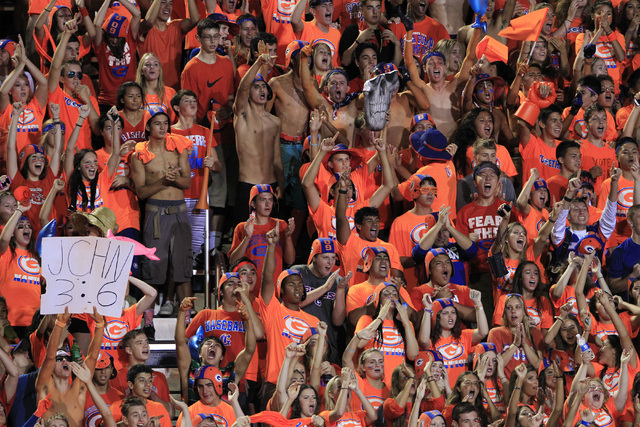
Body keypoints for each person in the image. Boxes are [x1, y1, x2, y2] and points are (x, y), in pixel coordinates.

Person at [131, 110, 193, 317]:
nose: (163, 127)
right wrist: (163, 180)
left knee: (182, 267)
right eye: (157, 123)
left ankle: (187, 322)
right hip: (156, 212)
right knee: (152, 268)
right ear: (148, 127)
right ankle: (147, 323)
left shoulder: (178, 149)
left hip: (180, 211)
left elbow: (187, 183)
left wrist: (174, 179)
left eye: (165, 123)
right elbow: (141, 192)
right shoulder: (139, 155)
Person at [258, 224, 321, 400]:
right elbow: (267, 277)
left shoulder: (314, 321)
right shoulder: (274, 310)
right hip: (274, 384)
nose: (297, 287)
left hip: (302, 388)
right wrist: (271, 247)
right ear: (281, 290)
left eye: (300, 284)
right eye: (291, 284)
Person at [232, 51, 284, 219]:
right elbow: (243, 87)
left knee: (270, 238)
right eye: (256, 87)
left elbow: (276, 159)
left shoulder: (275, 121)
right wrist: (259, 63)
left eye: (263, 87)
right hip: (248, 185)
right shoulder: (242, 115)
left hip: (270, 186)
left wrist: (280, 184)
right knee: (246, 236)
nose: (261, 89)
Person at [35, 307, 104, 426]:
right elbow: (50, 357)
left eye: (67, 359)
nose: (64, 361)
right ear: (51, 367)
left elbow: (92, 356)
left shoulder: (79, 389)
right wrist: (60, 324)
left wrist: (100, 324)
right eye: (60, 359)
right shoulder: (44, 387)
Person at [291, 238, 348, 365]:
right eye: (325, 257)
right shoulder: (298, 273)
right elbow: (295, 303)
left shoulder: (338, 281)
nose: (330, 262)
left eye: (333, 257)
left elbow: (338, 321)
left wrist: (339, 289)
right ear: (314, 257)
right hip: (298, 344)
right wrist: (325, 288)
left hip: (327, 347)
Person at [229, 184, 295, 294]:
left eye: (270, 200)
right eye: (263, 200)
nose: (268, 204)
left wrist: (288, 237)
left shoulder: (281, 225)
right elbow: (233, 262)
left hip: (274, 290)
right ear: (253, 204)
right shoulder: (242, 227)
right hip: (249, 290)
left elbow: (290, 260)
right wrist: (247, 237)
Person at [181, 19, 235, 126]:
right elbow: (188, 107)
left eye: (215, 36)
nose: (212, 41)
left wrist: (228, 109)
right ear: (198, 38)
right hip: (204, 130)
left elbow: (230, 97)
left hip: (226, 131)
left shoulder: (227, 63)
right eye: (207, 37)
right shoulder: (190, 69)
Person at [138, 0, 199, 90]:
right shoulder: (143, 27)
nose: (168, 7)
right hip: (149, 91)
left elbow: (195, 20)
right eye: (163, 2)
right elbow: (150, 21)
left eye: (171, 3)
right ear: (153, 4)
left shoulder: (176, 26)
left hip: (174, 90)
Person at [108, 330, 171, 414]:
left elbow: (170, 414)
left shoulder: (159, 377)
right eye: (140, 343)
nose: (145, 345)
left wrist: (148, 391)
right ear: (129, 350)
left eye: (147, 342)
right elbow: (114, 412)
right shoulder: (116, 377)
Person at [107, 365, 172, 426]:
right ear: (131, 385)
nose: (148, 384)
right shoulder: (116, 407)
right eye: (142, 380)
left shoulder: (159, 408)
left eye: (150, 381)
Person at [291, 0, 341, 67]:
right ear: (313, 11)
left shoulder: (337, 33)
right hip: (308, 76)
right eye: (324, 6)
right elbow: (294, 20)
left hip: (329, 76)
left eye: (330, 5)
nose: (328, 9)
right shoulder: (306, 28)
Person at [82, 352, 123, 427]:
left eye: (107, 367)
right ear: (92, 371)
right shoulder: (82, 395)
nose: (103, 372)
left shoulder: (120, 397)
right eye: (99, 368)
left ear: (112, 369)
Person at [546, 140, 583, 204]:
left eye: (579, 156)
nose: (578, 160)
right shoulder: (552, 183)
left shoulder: (582, 181)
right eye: (573, 156)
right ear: (561, 160)